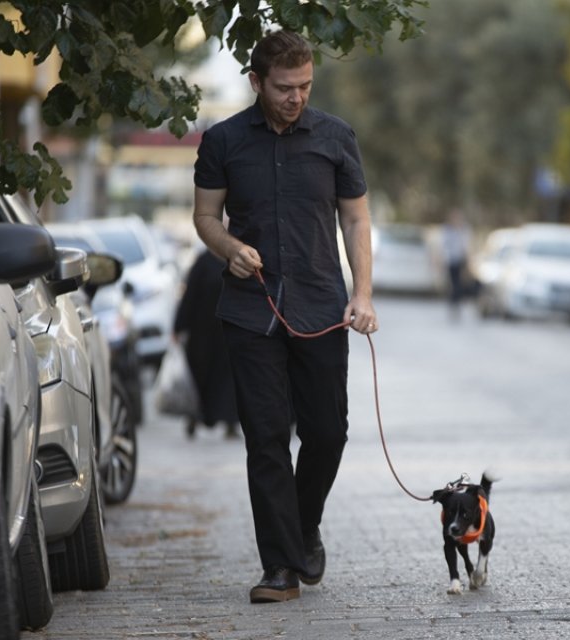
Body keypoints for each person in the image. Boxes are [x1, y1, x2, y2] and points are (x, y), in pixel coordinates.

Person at [191, 29, 378, 604]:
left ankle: (303, 525)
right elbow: (204, 217)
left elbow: (356, 223)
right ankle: (280, 568)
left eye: (305, 86)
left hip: (323, 305)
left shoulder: (336, 137)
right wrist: (229, 249)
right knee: (266, 437)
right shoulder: (222, 141)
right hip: (250, 311)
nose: (295, 97)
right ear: (256, 81)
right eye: (284, 87)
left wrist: (363, 293)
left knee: (327, 432)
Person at [172, 247, 239, 440]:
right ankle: (195, 417)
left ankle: (230, 422)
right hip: (202, 334)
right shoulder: (203, 261)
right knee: (200, 376)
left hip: (228, 332)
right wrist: (178, 327)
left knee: (228, 379)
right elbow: (190, 295)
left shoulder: (237, 258)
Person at [440, 208, 472, 320]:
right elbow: (443, 246)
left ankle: (458, 306)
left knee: (459, 285)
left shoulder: (464, 230)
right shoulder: (447, 230)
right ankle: (453, 306)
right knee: (453, 285)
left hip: (461, 261)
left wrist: (468, 261)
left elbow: (466, 246)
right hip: (450, 261)